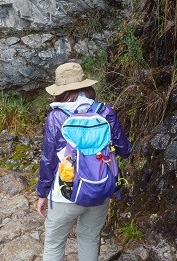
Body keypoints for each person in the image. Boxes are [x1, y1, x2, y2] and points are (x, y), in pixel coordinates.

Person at [35, 62, 132, 261]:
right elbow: (125, 150)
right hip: (100, 189)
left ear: (60, 90)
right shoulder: (105, 111)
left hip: (65, 193)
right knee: (89, 238)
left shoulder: (56, 116)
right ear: (86, 85)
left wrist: (42, 193)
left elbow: (48, 160)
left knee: (54, 244)